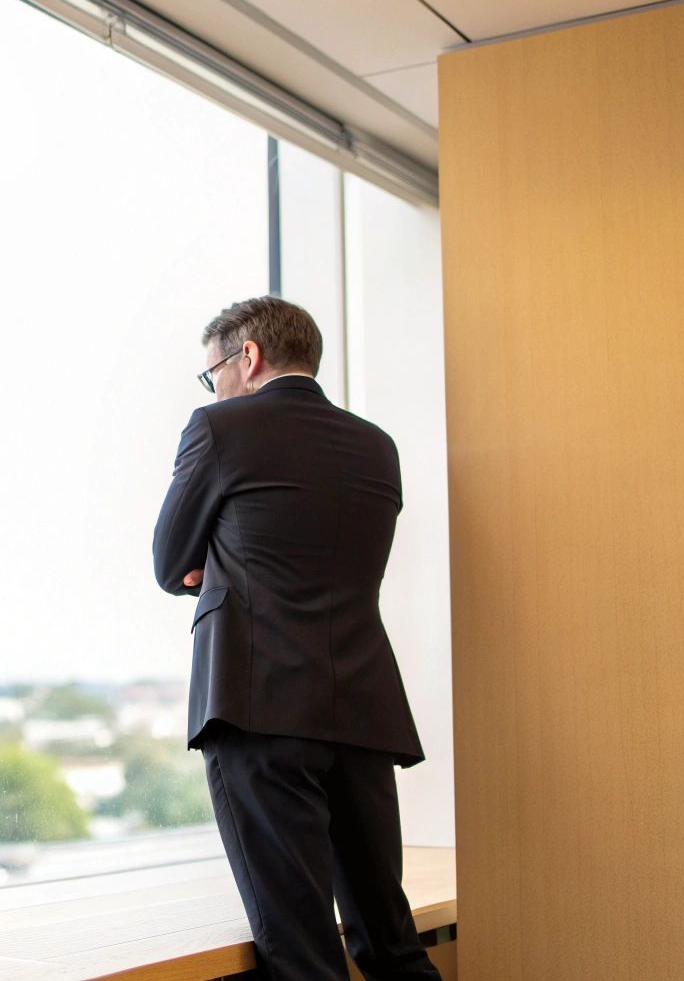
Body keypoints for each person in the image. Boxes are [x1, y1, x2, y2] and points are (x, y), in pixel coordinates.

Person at [151, 296, 442, 981]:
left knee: (302, 951)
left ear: (246, 357)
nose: (214, 388)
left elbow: (170, 562)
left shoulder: (221, 428)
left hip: (261, 709)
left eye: (213, 372)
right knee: (390, 944)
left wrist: (213, 561)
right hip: (363, 714)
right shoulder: (377, 446)